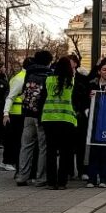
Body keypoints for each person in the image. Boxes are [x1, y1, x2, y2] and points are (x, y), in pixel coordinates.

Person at [13, 50, 52, 186]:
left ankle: (22, 176)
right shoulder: (49, 74)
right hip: (42, 115)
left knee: (26, 146)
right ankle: (40, 178)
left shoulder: (28, 73)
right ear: (49, 61)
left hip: (27, 113)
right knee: (43, 147)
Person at [41, 57, 77, 189]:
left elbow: (42, 98)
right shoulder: (71, 81)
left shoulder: (48, 80)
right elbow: (75, 100)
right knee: (65, 152)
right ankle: (62, 182)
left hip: (49, 118)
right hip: (66, 119)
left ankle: (51, 182)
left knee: (50, 151)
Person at [85, 60, 106, 188]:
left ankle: (104, 179)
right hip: (94, 121)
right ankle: (92, 179)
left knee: (105, 151)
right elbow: (84, 100)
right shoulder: (91, 84)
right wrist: (89, 98)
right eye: (104, 70)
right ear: (99, 71)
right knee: (93, 150)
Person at [0, 58, 32, 171]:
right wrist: (6, 113)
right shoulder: (20, 78)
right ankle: (8, 161)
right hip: (16, 113)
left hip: (18, 112)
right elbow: (10, 97)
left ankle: (11, 161)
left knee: (15, 139)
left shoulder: (23, 76)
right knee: (13, 139)